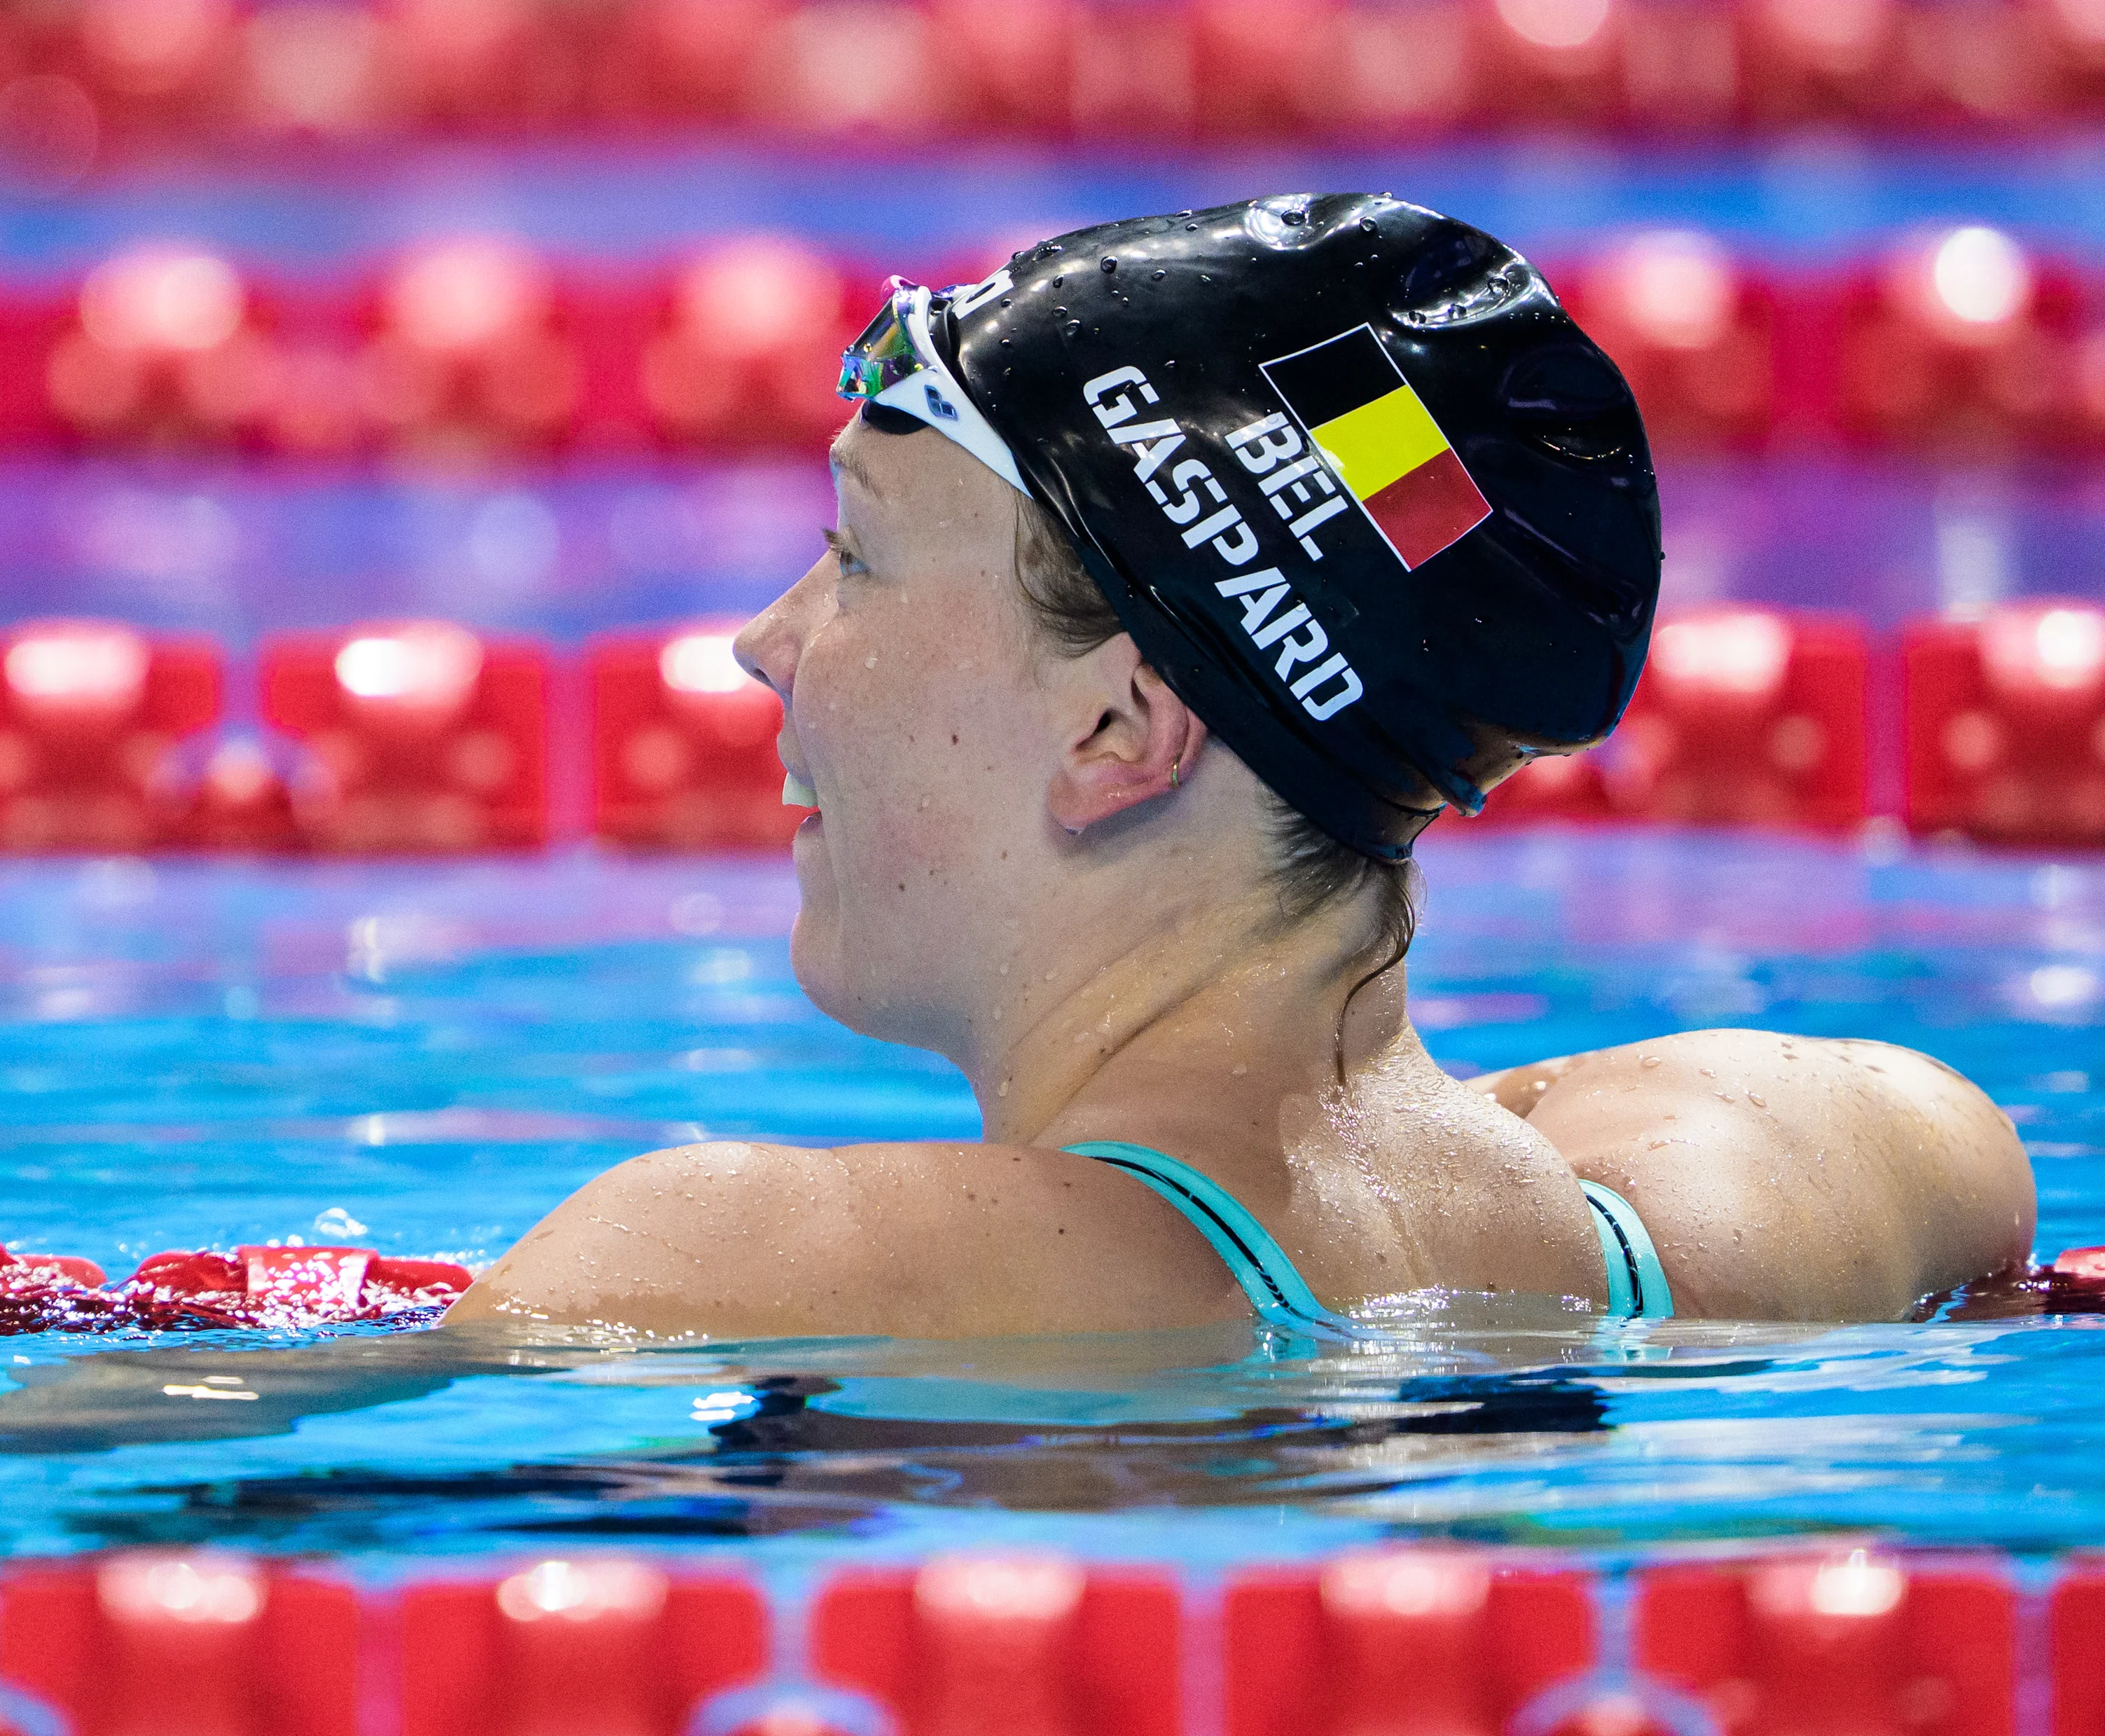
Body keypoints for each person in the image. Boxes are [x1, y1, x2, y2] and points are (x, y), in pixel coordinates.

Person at [439, 193, 2033, 1341]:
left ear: (1121, 729)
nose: (765, 641)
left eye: (856, 557)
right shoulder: (1843, 1161)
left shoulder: (745, 1261)